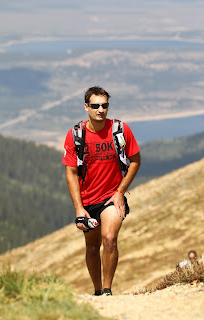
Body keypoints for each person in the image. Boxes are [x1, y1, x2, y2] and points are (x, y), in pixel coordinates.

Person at [62, 86, 141, 296]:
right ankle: (97, 291)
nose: (100, 110)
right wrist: (79, 208)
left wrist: (120, 192)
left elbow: (135, 161)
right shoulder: (75, 135)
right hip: (87, 200)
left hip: (111, 198)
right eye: (95, 106)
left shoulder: (120, 130)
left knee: (109, 238)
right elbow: (71, 173)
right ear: (86, 107)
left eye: (104, 105)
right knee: (91, 246)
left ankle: (107, 289)